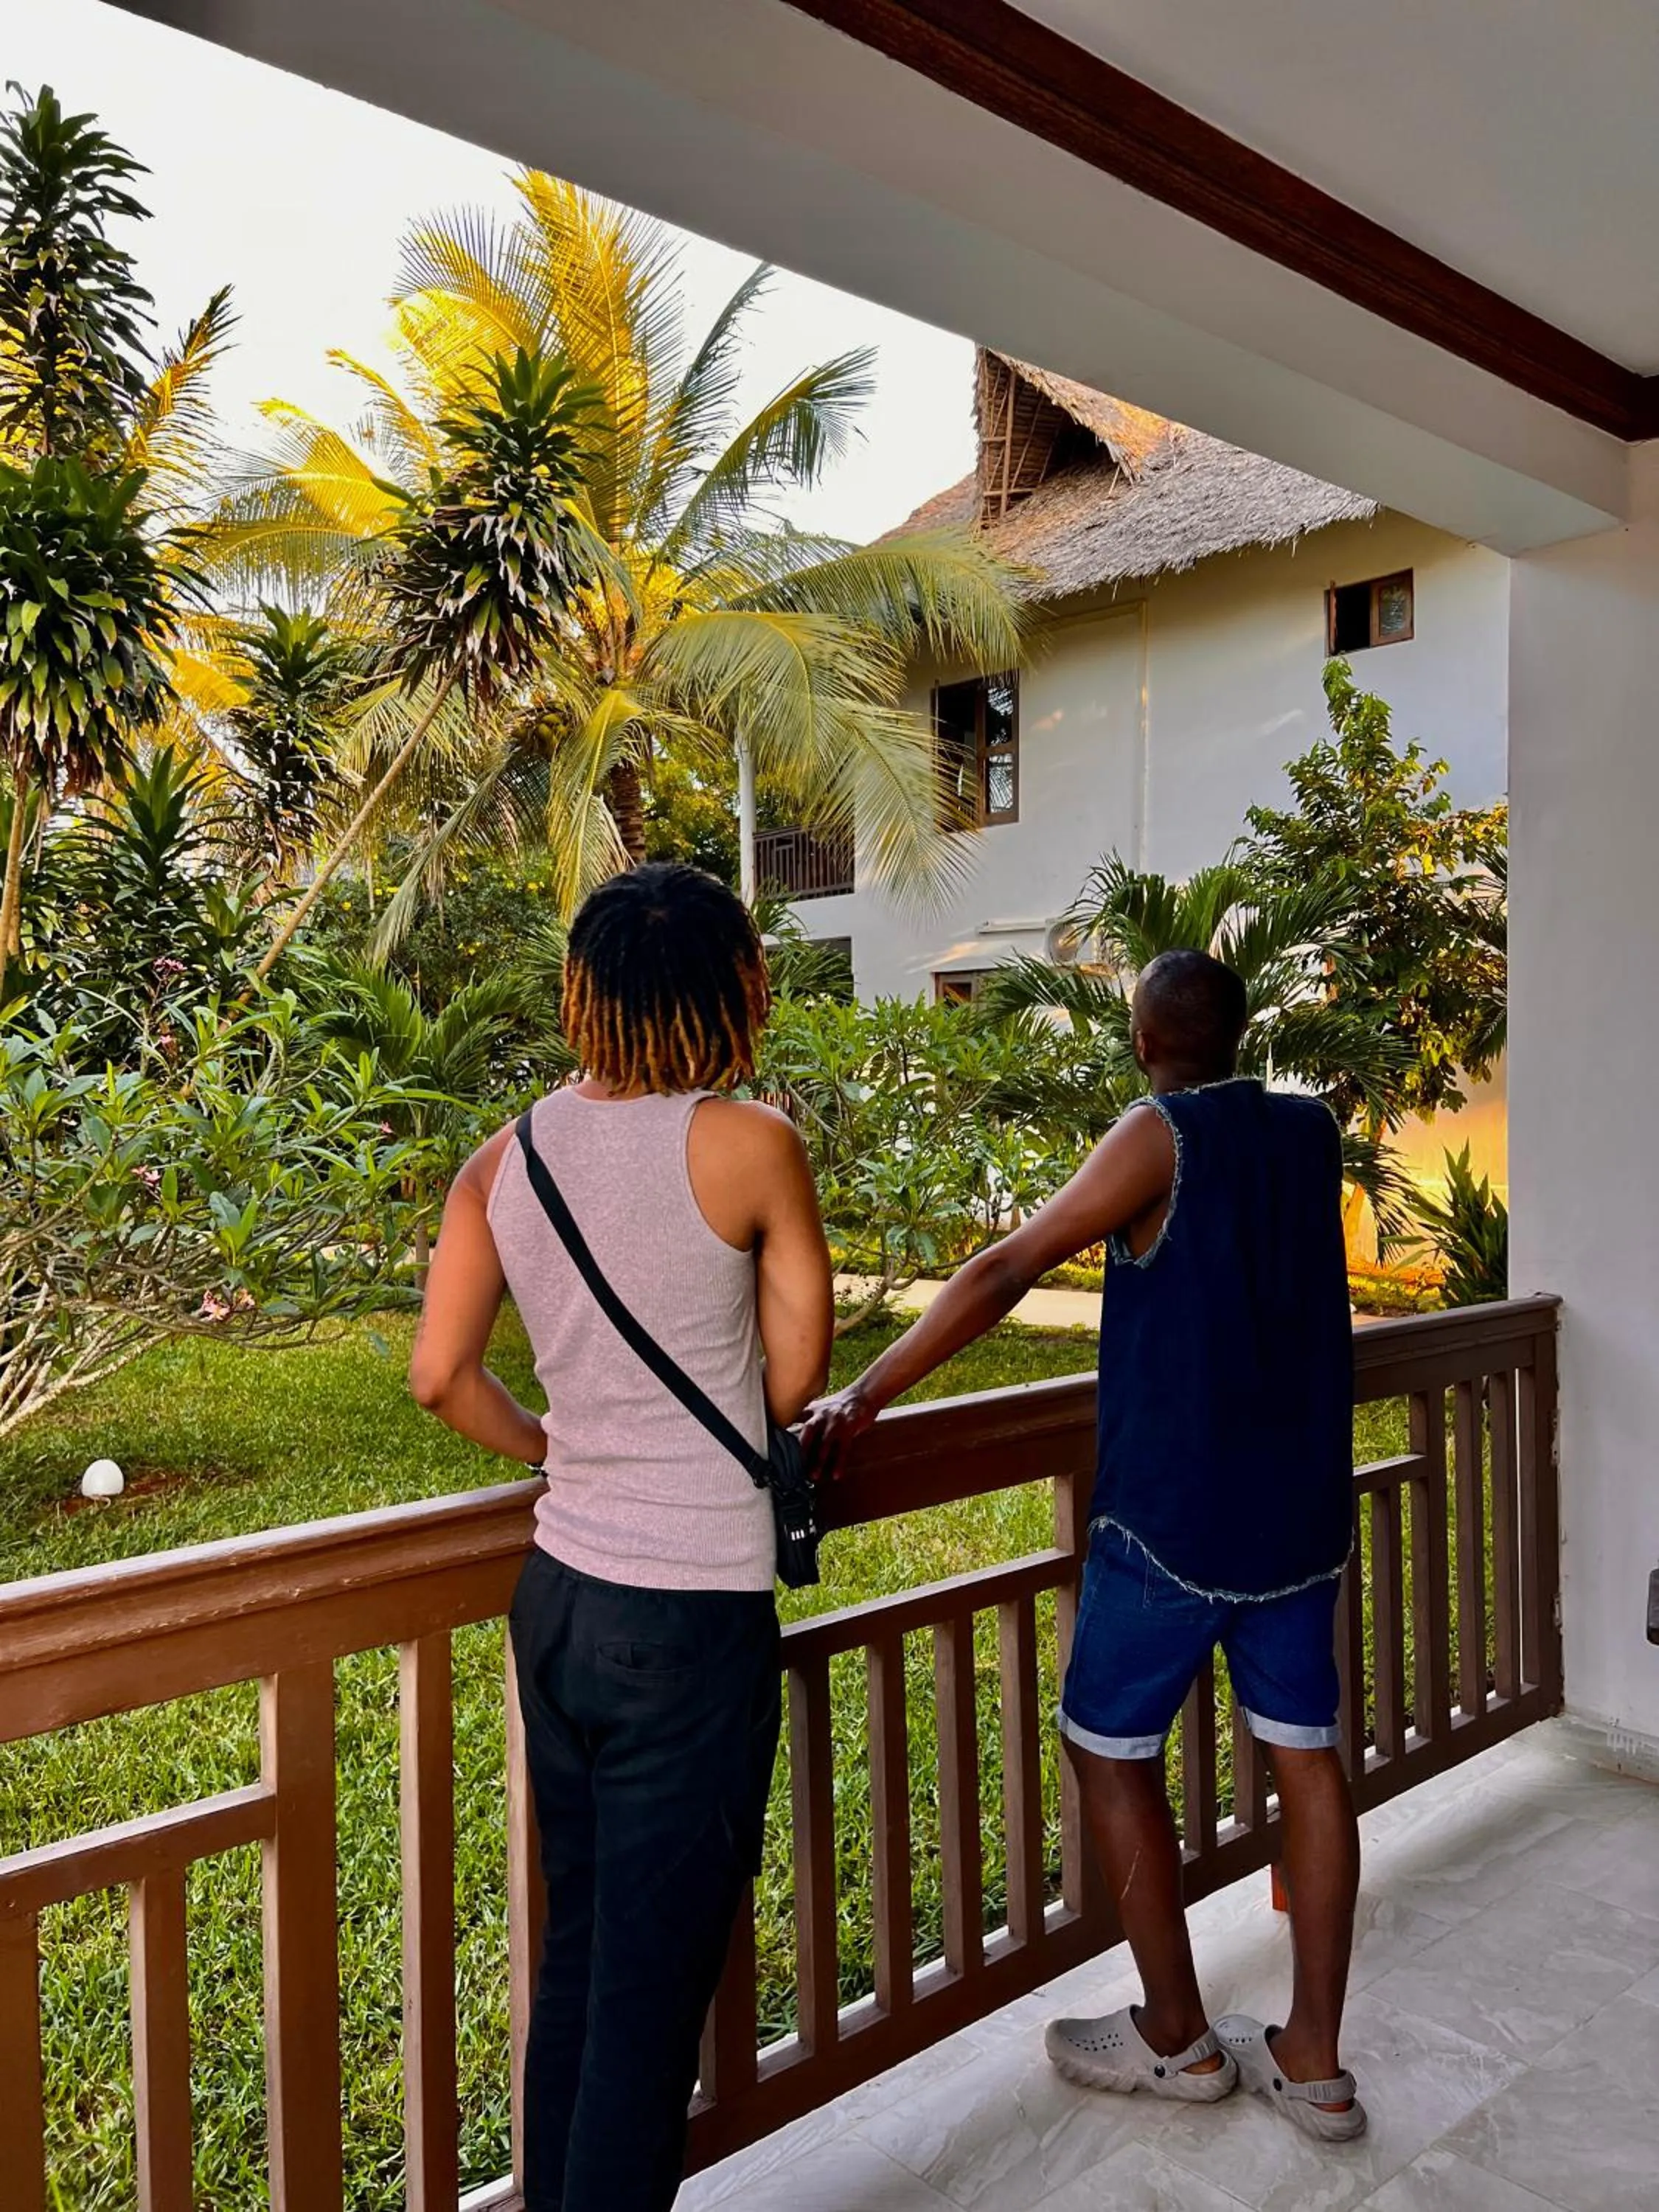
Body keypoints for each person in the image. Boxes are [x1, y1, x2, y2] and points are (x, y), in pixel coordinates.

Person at [804, 947, 1366, 2142]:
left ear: (1143, 1044)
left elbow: (1009, 1264)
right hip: (1299, 1520)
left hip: (1171, 1523)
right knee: (1308, 1766)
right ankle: (1311, 2058)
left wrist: (862, 1398)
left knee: (1106, 1750)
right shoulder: (1305, 1132)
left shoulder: (1158, 1134)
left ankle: (1176, 2036)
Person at [409, 862, 834, 2212]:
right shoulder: (751, 1144)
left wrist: (555, 1444)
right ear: (733, 986)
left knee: (583, 1951)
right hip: (688, 1617)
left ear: (583, 992)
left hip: (560, 1603)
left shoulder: (505, 1158)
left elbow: (439, 1376)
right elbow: (788, 1381)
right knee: (650, 2012)